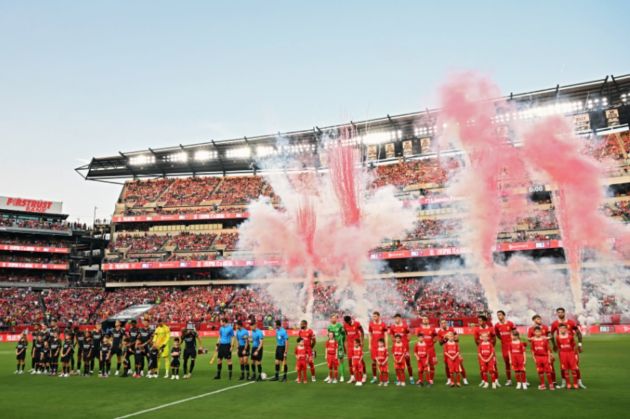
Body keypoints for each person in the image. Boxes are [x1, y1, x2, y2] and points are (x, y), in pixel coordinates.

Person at [551, 307, 585, 389]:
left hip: (572, 349)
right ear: (557, 314)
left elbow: (579, 333)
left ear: (564, 313)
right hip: (562, 349)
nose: (560, 314)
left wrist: (580, 345)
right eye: (558, 312)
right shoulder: (555, 324)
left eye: (561, 312)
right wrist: (554, 345)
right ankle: (564, 383)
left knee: (575, 365)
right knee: (563, 366)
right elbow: (551, 335)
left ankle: (579, 382)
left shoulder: (571, 322)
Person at [528, 314, 557, 385]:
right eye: (538, 319)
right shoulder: (531, 329)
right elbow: (529, 339)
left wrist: (548, 337)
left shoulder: (545, 327)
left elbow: (550, 335)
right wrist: (535, 338)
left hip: (547, 349)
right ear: (534, 320)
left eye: (540, 319)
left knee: (551, 365)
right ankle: (543, 382)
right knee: (540, 367)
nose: (540, 320)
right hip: (538, 351)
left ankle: (553, 381)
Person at [473, 314, 498, 387]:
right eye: (478, 320)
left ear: (484, 321)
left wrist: (491, 346)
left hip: (490, 350)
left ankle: (496, 380)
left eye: (480, 320)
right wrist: (481, 347)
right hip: (482, 351)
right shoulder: (477, 329)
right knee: (482, 366)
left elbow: (494, 338)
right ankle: (483, 380)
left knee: (494, 366)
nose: (479, 322)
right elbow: (476, 340)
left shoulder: (490, 328)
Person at [389, 314, 413, 384]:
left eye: (397, 318)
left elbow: (409, 334)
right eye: (395, 318)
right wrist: (394, 342)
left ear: (400, 318)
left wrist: (407, 341)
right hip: (397, 348)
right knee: (397, 364)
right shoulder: (393, 327)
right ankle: (398, 378)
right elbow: (391, 335)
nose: (396, 319)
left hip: (405, 347)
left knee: (408, 362)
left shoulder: (405, 326)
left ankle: (411, 377)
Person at [494, 310, 516, 386]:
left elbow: (515, 333)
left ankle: (523, 379)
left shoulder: (510, 323)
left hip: (512, 345)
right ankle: (509, 380)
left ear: (504, 315)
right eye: (498, 315)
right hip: (504, 347)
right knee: (507, 363)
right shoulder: (497, 325)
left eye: (500, 315)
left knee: (517, 362)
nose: (499, 316)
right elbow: (497, 335)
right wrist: (503, 340)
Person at [556, 324, 580, 390]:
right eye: (561, 328)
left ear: (566, 329)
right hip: (563, 354)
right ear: (559, 329)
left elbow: (574, 346)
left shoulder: (570, 337)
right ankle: (568, 384)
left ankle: (575, 384)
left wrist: (575, 355)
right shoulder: (557, 337)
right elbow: (558, 346)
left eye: (564, 328)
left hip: (571, 353)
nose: (562, 330)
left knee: (573, 370)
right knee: (565, 370)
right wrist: (560, 355)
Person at [416, 316, 438, 385]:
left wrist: (433, 342)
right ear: (422, 321)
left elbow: (435, 337)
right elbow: (418, 339)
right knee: (421, 366)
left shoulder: (432, 329)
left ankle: (431, 379)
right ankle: (420, 379)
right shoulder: (419, 329)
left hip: (431, 350)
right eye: (424, 319)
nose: (425, 320)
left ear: (428, 320)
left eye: (426, 319)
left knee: (432, 365)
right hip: (422, 351)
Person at [530, 326, 555, 390]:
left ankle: (551, 384)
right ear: (534, 332)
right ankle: (542, 384)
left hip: (545, 357)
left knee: (548, 371)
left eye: (539, 331)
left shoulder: (544, 340)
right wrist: (534, 358)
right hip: (538, 357)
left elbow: (548, 350)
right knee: (540, 371)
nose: (537, 333)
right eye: (536, 332)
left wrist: (549, 358)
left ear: (541, 332)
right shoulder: (533, 341)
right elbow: (532, 350)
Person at [343, 315, 365, 384]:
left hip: (357, 345)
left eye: (348, 322)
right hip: (350, 346)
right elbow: (346, 335)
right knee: (350, 361)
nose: (348, 323)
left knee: (360, 361)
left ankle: (364, 375)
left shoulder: (357, 323)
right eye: (346, 322)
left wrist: (362, 341)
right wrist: (345, 345)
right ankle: (352, 377)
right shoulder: (345, 325)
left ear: (350, 320)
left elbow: (362, 331)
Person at [368, 311, 388, 384]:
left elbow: (386, 335)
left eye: (375, 316)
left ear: (379, 317)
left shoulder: (383, 324)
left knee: (383, 362)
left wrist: (386, 345)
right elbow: (370, 335)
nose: (374, 318)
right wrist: (369, 345)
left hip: (381, 347)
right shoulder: (371, 324)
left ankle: (385, 378)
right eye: (373, 316)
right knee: (373, 362)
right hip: (374, 346)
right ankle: (374, 377)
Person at [326, 314, 346, 382]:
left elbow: (344, 335)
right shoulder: (329, 327)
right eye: (332, 318)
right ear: (330, 319)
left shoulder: (340, 326)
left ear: (336, 319)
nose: (333, 319)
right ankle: (330, 376)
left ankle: (342, 376)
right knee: (330, 362)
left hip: (339, 346)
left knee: (341, 360)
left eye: (334, 318)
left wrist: (342, 343)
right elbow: (328, 336)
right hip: (332, 347)